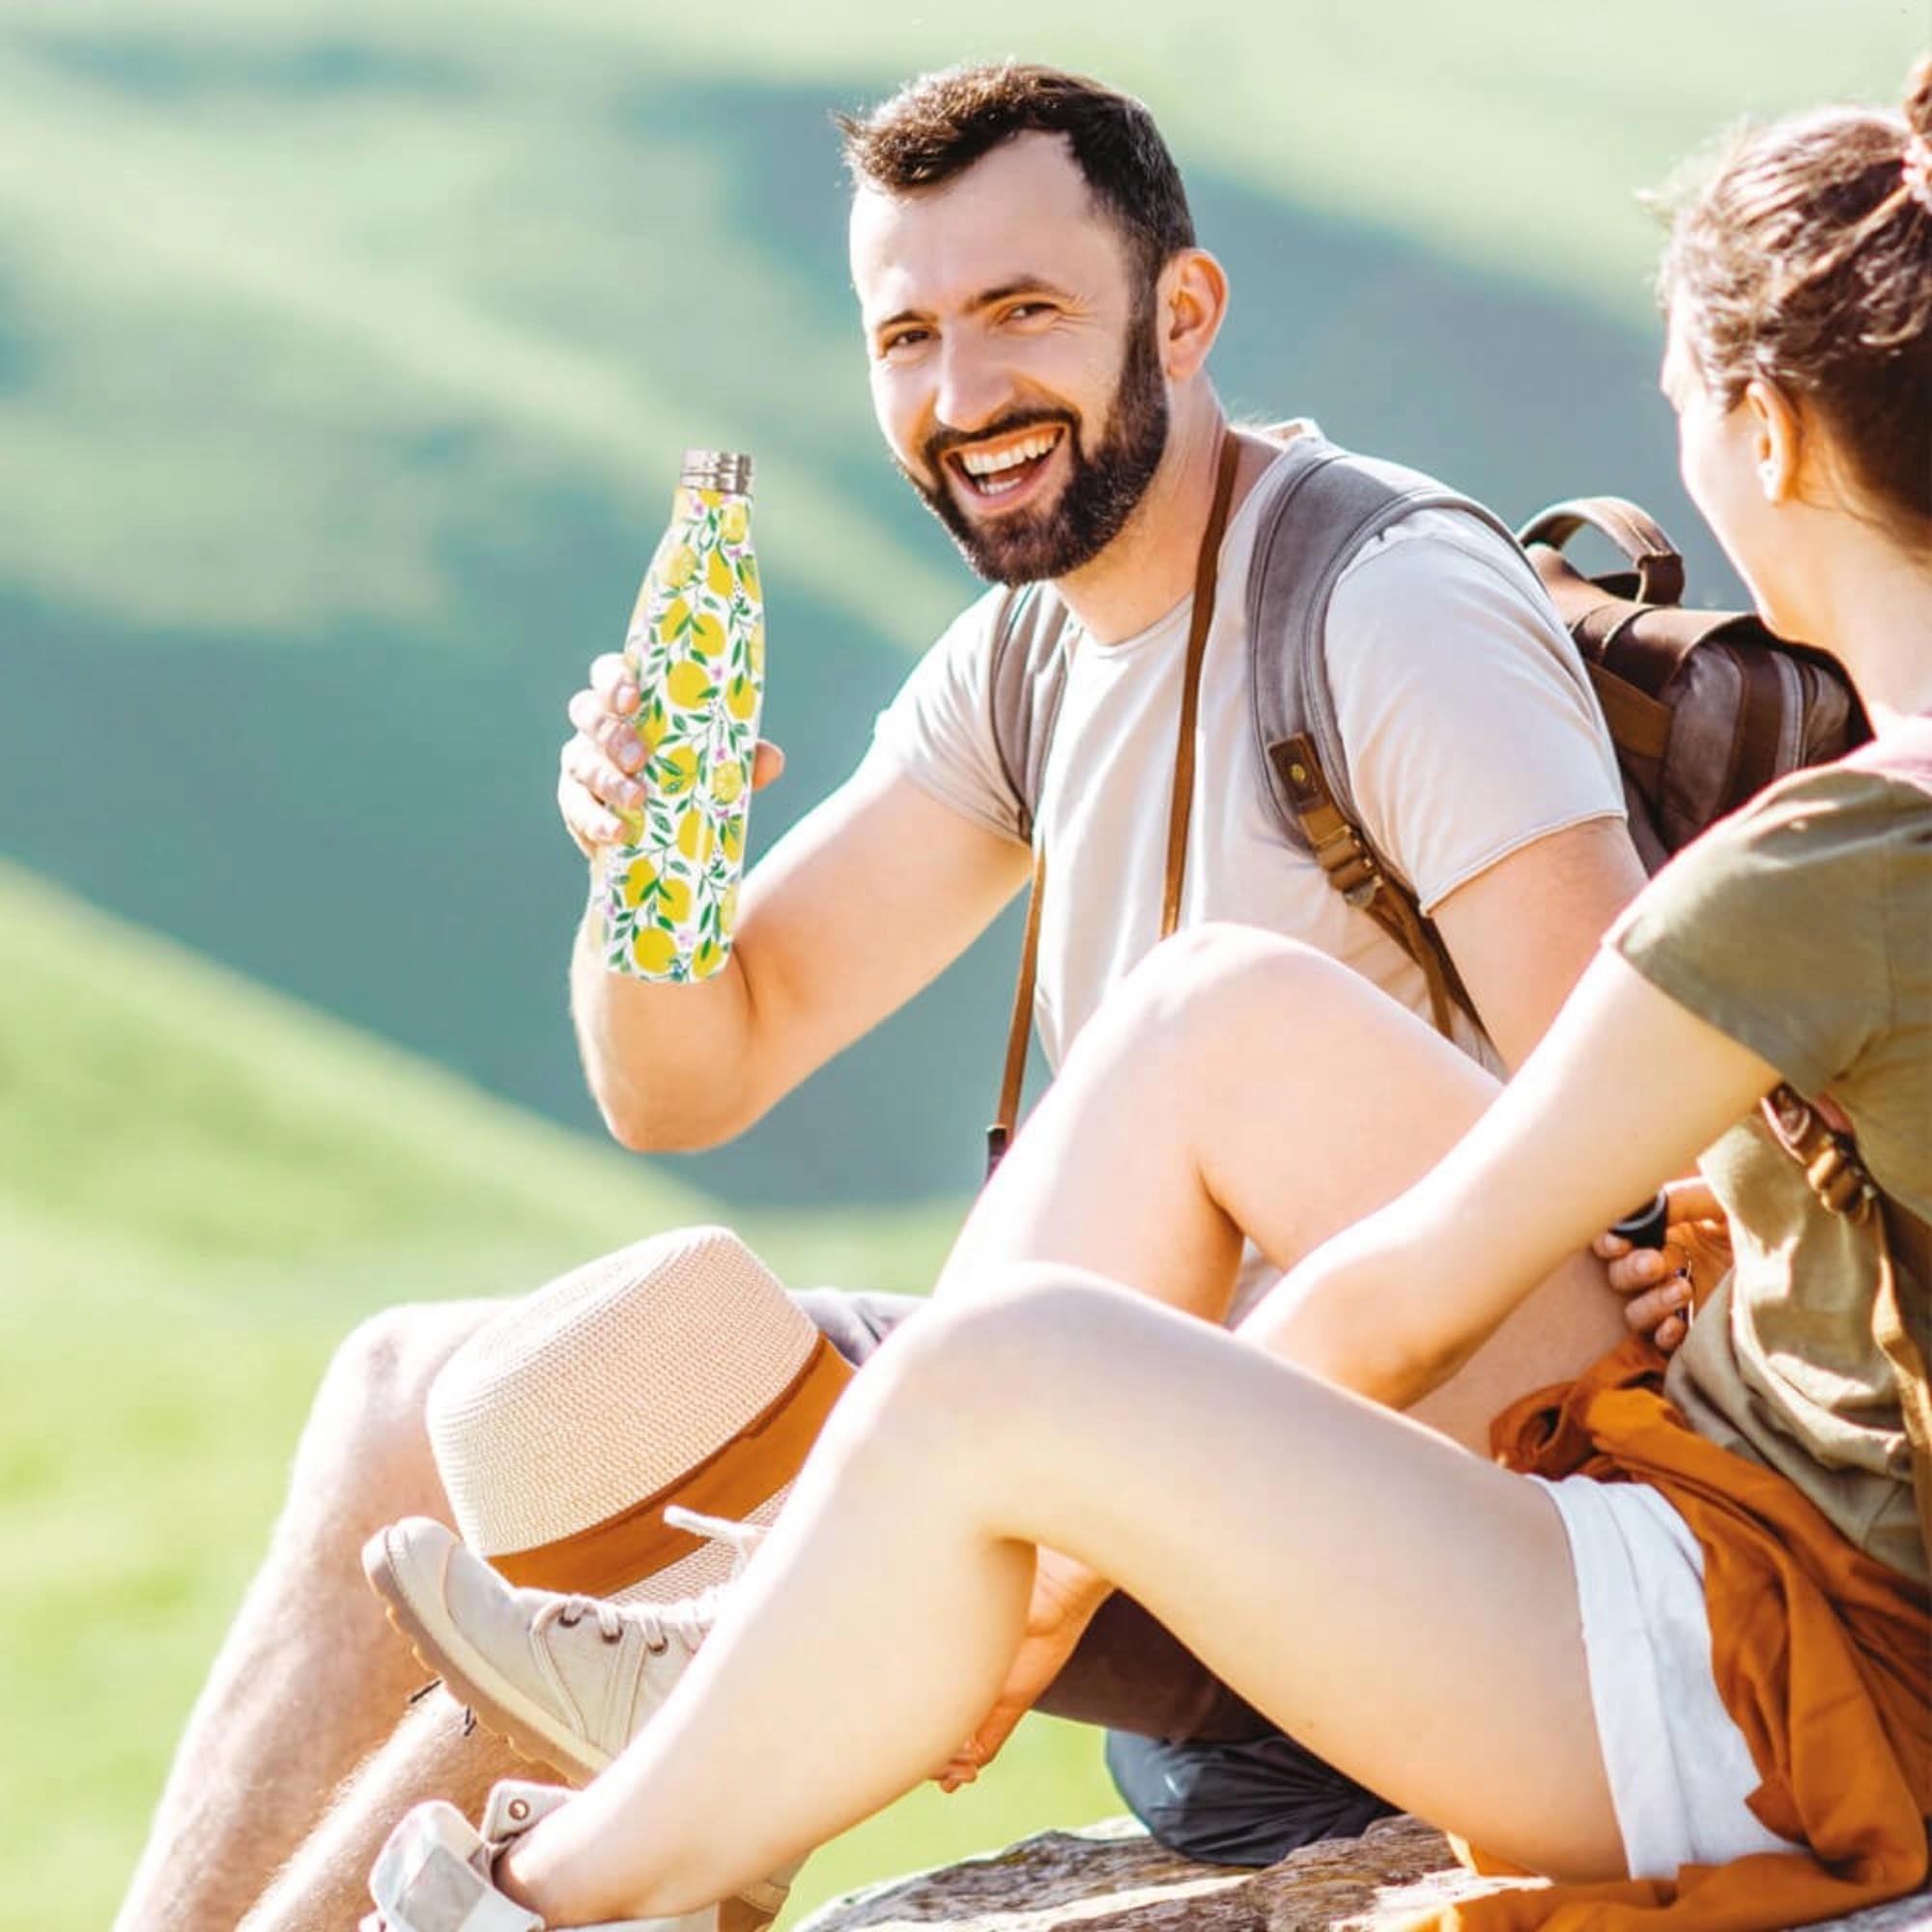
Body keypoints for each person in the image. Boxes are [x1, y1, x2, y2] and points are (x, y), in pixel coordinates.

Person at [362, 60, 1932, 1932]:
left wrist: (1048, 1508)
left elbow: (1450, 1268)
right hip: (1732, 1568)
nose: (961, 385)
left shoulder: (1769, 820)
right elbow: (689, 1070)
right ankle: (712, 1723)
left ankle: (547, 1885)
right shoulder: (1024, 663)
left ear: (1762, 438)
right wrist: (646, 866)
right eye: (910, 332)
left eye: (1020, 311)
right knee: (1197, 1033)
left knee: (993, 1376)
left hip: (1763, 1657)